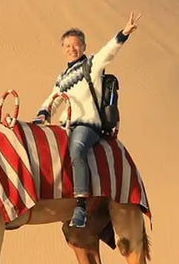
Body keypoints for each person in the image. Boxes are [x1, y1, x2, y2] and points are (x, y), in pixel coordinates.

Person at [34, 12, 142, 229]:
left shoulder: (92, 65)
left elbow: (108, 51)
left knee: (77, 148)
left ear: (83, 47)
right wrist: (42, 114)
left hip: (87, 125)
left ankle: (81, 204)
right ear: (63, 49)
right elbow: (53, 99)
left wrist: (124, 33)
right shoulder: (62, 77)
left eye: (76, 45)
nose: (72, 49)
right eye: (68, 46)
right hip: (66, 124)